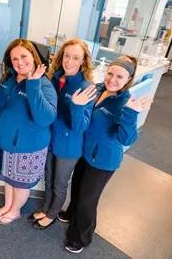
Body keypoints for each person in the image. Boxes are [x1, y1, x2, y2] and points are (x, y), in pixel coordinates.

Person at [63, 55, 152, 253]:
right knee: (77, 188)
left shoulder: (127, 103)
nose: (112, 79)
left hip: (104, 160)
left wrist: (131, 114)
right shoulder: (98, 90)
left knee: (88, 199)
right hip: (85, 153)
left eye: (119, 77)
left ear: (128, 80)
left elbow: (126, 139)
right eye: (110, 73)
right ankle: (71, 214)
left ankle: (81, 237)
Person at [28, 38, 97, 229]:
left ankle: (52, 214)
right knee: (48, 177)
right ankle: (45, 207)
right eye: (67, 56)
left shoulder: (87, 87)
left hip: (69, 146)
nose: (70, 61)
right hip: (50, 139)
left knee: (59, 183)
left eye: (76, 58)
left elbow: (80, 127)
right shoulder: (53, 78)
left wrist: (76, 106)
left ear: (83, 61)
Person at [0, 38, 57, 225]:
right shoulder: (8, 79)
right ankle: (8, 205)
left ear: (33, 57)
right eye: (15, 58)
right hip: (5, 142)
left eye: (24, 56)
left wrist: (33, 86)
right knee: (9, 180)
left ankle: (15, 210)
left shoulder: (44, 84)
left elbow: (45, 119)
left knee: (20, 183)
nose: (20, 62)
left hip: (28, 147)